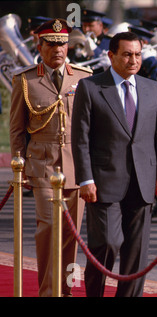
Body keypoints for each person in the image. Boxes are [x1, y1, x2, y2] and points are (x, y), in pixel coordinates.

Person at [71, 31, 157, 297]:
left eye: (138, 54)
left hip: (142, 182)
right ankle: (95, 293)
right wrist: (85, 179)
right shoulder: (91, 87)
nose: (133, 60)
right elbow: (80, 138)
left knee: (137, 252)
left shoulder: (153, 88)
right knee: (107, 242)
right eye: (127, 54)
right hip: (103, 181)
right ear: (111, 56)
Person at [9, 19, 92, 296]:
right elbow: (17, 129)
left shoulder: (84, 77)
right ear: (40, 46)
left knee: (72, 234)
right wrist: (18, 168)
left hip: (76, 166)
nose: (58, 49)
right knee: (49, 230)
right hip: (42, 165)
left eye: (62, 43)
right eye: (52, 44)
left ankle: (65, 290)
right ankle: (48, 292)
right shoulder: (26, 79)